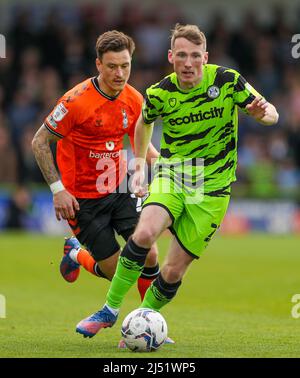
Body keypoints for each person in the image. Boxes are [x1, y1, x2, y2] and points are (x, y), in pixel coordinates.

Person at [75, 23, 279, 338]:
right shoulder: (159, 93)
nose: (188, 63)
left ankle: (143, 321)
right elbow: (143, 123)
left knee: (171, 271)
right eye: (181, 55)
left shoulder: (227, 81)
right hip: (175, 174)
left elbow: (271, 114)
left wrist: (260, 115)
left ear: (205, 57)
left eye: (195, 56)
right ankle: (110, 309)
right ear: (171, 56)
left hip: (212, 188)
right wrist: (140, 163)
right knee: (143, 234)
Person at [31, 30, 174, 345]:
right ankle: (77, 252)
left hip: (120, 187)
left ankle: (144, 324)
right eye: (111, 66)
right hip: (82, 200)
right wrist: (58, 190)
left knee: (149, 252)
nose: (119, 73)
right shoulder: (74, 101)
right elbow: (39, 141)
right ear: (98, 64)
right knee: (117, 272)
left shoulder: (134, 99)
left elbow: (142, 141)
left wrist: (167, 168)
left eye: (125, 65)